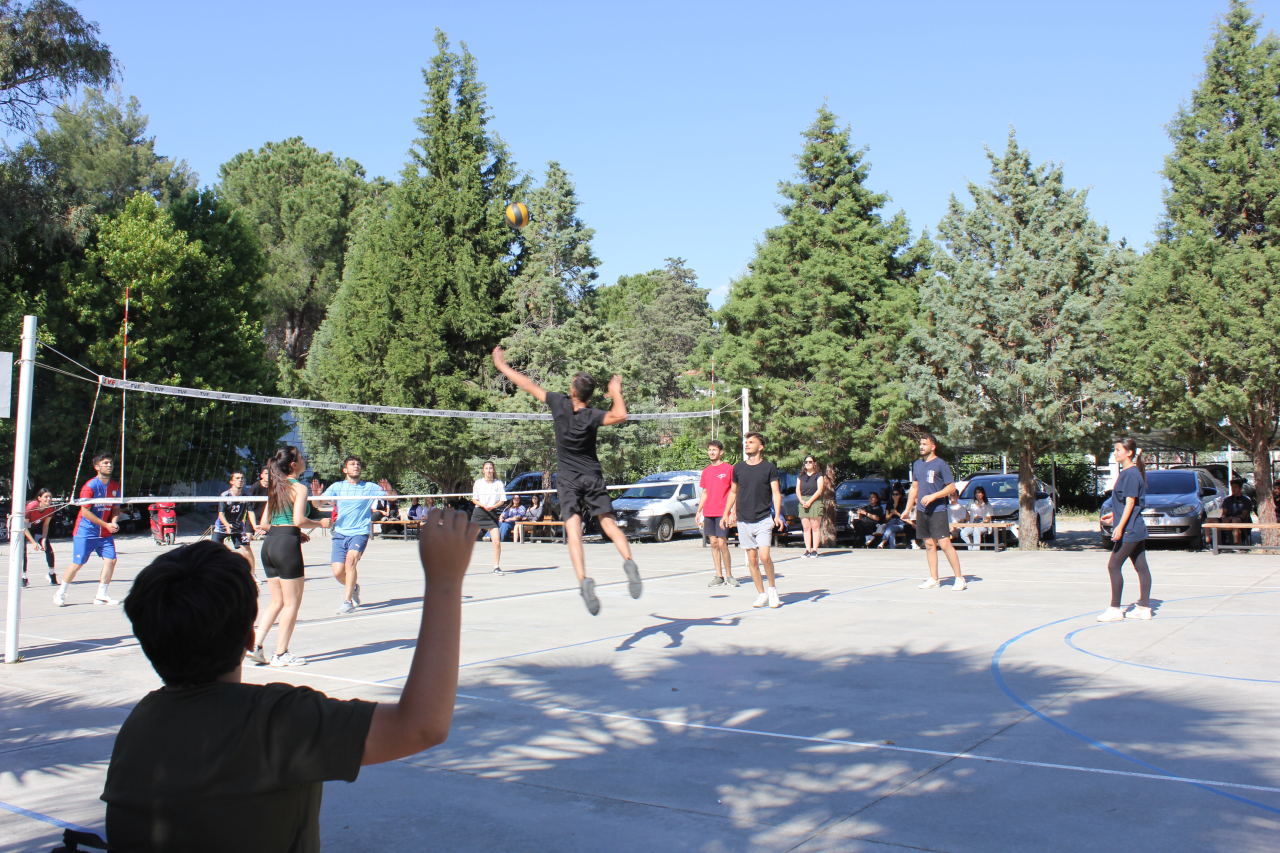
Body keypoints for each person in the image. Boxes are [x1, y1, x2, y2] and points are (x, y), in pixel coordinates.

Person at [101, 505, 477, 852]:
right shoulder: (275, 720)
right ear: (251, 637)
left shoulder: (140, 724)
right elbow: (422, 726)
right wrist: (445, 580)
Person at [492, 346, 641, 615]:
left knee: (574, 531)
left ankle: (583, 579)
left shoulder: (558, 403)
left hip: (569, 480)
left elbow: (527, 384)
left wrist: (503, 367)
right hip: (592, 476)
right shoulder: (592, 415)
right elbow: (621, 414)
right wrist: (616, 391)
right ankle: (628, 561)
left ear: (572, 391)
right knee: (608, 523)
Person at [247, 446, 332, 666]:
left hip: (270, 544)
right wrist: (320, 523)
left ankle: (255, 646)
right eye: (302, 458)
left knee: (276, 601)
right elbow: (298, 520)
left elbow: (264, 524)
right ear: (293, 465)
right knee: (292, 603)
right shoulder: (299, 488)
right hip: (286, 546)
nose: (305, 460)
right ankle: (281, 654)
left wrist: (296, 532)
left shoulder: (275, 487)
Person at [322, 456, 395, 615]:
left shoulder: (370, 487)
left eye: (358, 464)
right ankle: (354, 587)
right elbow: (318, 503)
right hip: (340, 533)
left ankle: (347, 602)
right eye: (352, 464)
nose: (356, 466)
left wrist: (389, 489)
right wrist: (315, 497)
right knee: (337, 572)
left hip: (360, 532)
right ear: (345, 469)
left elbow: (393, 497)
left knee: (351, 561)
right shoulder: (337, 486)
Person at [724, 432, 786, 609]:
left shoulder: (769, 468)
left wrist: (777, 515)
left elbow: (776, 493)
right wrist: (726, 513)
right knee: (752, 560)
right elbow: (733, 492)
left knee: (765, 556)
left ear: (760, 447)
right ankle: (761, 594)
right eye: (746, 442)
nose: (747, 444)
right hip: (744, 520)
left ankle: (772, 590)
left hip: (763, 518)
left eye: (751, 442)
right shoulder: (738, 468)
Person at [55, 453, 122, 607]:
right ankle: (60, 593)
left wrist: (113, 522)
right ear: (97, 467)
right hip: (86, 531)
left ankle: (101, 595)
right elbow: (85, 512)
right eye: (105, 463)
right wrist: (106, 525)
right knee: (78, 564)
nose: (109, 465)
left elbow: (116, 508)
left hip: (104, 533)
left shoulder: (115, 486)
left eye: (111, 463)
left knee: (111, 560)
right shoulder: (90, 486)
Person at [1098, 438, 1153, 621]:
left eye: (1118, 450)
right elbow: (1127, 504)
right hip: (1135, 527)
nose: (1115, 453)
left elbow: (1130, 504)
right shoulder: (1130, 473)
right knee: (1141, 566)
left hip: (1130, 530)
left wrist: (1120, 527)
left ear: (1129, 453)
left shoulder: (1130, 474)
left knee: (1113, 566)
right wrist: (1115, 515)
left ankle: (1115, 610)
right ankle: (1144, 608)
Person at [908, 434, 965, 591]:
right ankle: (934, 579)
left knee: (945, 544)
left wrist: (934, 495)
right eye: (920, 443)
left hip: (938, 510)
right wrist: (907, 509)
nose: (921, 446)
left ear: (933, 447)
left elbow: (951, 487)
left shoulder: (941, 465)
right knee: (929, 544)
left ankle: (959, 578)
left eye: (925, 444)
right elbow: (914, 488)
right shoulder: (917, 464)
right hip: (921, 511)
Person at [695, 439, 738, 588]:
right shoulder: (706, 471)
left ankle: (729, 575)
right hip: (709, 512)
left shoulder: (729, 469)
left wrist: (733, 512)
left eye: (714, 450)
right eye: (710, 450)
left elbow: (734, 492)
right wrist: (699, 511)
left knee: (722, 543)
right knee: (713, 543)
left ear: (721, 452)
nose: (711, 452)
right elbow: (705, 492)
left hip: (723, 512)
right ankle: (719, 576)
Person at [213, 472, 258, 581]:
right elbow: (221, 513)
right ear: (231, 481)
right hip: (221, 527)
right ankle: (214, 575)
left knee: (247, 548)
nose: (240, 480)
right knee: (213, 551)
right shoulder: (225, 496)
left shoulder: (246, 497)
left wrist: (255, 526)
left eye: (242, 478)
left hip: (238, 528)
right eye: (237, 478)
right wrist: (227, 524)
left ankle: (252, 575)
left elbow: (250, 512)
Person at [472, 461, 508, 574]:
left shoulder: (498, 484)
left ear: (493, 470)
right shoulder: (478, 483)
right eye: (486, 468)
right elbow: (474, 499)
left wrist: (493, 506)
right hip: (479, 512)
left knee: (496, 542)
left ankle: (496, 567)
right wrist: (484, 505)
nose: (488, 470)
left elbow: (502, 500)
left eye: (490, 468)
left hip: (492, 513)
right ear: (483, 470)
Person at [23, 488, 58, 587]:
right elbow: (24, 527)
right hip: (25, 529)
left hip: (36, 527)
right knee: (23, 551)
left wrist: (43, 539)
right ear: (39, 498)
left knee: (48, 548)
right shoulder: (31, 507)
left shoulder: (51, 508)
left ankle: (52, 574)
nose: (48, 499)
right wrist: (33, 542)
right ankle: (24, 577)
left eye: (50, 497)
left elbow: (46, 524)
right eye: (46, 497)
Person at [796, 455, 825, 559]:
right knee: (806, 527)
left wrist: (810, 501)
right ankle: (807, 550)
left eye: (810, 462)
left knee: (815, 527)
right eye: (806, 462)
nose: (808, 464)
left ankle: (814, 550)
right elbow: (797, 490)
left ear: (814, 463)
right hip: (803, 501)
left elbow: (819, 490)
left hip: (815, 501)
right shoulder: (801, 476)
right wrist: (802, 501)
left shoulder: (818, 475)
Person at [1221, 478, 1254, 546]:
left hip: (1241, 520)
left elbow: (1244, 515)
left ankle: (1236, 544)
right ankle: (1212, 544)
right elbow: (1224, 513)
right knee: (1209, 520)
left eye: (1236, 487)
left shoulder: (1246, 500)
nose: (1233, 489)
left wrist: (1231, 518)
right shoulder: (1227, 500)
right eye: (1232, 487)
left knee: (1234, 520)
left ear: (1240, 488)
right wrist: (1224, 517)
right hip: (1228, 519)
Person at [960, 486, 994, 550]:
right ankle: (970, 547)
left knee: (976, 531)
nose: (977, 494)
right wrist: (968, 518)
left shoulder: (987, 505)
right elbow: (965, 510)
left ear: (983, 494)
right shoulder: (972, 503)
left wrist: (980, 524)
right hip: (973, 522)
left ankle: (976, 549)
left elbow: (988, 518)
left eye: (979, 493)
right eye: (976, 493)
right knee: (963, 532)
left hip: (983, 523)